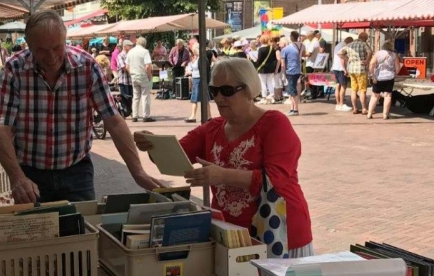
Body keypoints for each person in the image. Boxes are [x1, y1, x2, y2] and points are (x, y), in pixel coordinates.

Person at [134, 58, 313, 257]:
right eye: (214, 91)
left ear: (249, 90)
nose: (219, 98)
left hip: (282, 234)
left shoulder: (275, 123)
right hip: (232, 237)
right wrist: (152, 144)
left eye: (227, 91)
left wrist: (222, 175)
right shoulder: (212, 128)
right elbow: (173, 156)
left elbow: (274, 179)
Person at [0, 10, 161, 204]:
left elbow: (113, 121)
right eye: (41, 50)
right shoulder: (13, 70)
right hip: (30, 174)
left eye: (57, 47)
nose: (51, 57)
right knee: (36, 224)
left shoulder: (87, 66)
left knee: (84, 222)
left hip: (77, 172)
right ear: (28, 46)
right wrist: (17, 177)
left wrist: (138, 172)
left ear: (65, 40)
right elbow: (1, 129)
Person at [338, 32, 373, 115]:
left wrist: (348, 59)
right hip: (361, 68)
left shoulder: (350, 44)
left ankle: (355, 108)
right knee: (362, 90)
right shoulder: (363, 44)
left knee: (353, 89)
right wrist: (367, 60)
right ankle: (364, 108)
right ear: (365, 38)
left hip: (351, 69)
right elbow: (370, 52)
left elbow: (339, 53)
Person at [368, 41, 400, 120]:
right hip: (389, 77)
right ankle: (385, 115)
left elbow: (371, 64)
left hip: (378, 77)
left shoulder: (378, 54)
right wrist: (395, 74)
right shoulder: (394, 55)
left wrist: (372, 75)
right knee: (387, 96)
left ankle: (369, 114)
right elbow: (398, 68)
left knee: (374, 96)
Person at [127, 37, 156, 122]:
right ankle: (146, 116)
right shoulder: (145, 52)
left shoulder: (130, 51)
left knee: (136, 97)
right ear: (144, 44)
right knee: (145, 96)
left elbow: (127, 66)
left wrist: (131, 74)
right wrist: (149, 76)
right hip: (142, 75)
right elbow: (147, 66)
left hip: (134, 75)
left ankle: (134, 115)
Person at [184, 46, 211, 123]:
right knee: (201, 98)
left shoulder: (202, 59)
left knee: (196, 99)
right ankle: (208, 116)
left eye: (194, 51)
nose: (193, 53)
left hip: (199, 80)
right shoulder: (198, 58)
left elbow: (205, 71)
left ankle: (195, 116)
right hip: (196, 79)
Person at [281, 31, 304, 116]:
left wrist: (283, 73)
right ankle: (292, 108)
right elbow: (304, 54)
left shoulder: (285, 49)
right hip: (298, 69)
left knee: (292, 90)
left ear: (291, 37)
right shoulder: (302, 45)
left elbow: (283, 63)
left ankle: (295, 110)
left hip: (290, 71)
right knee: (292, 90)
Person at [256, 35, 281, 103]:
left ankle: (264, 97)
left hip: (262, 68)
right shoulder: (272, 48)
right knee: (270, 82)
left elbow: (259, 60)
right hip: (271, 68)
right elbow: (274, 59)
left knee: (263, 83)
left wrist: (256, 65)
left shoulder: (261, 49)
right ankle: (272, 96)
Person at [331, 37, 354, 112]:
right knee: (343, 86)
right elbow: (342, 58)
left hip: (335, 67)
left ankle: (338, 104)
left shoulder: (338, 45)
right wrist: (345, 69)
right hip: (341, 68)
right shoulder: (344, 46)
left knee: (338, 86)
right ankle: (341, 104)